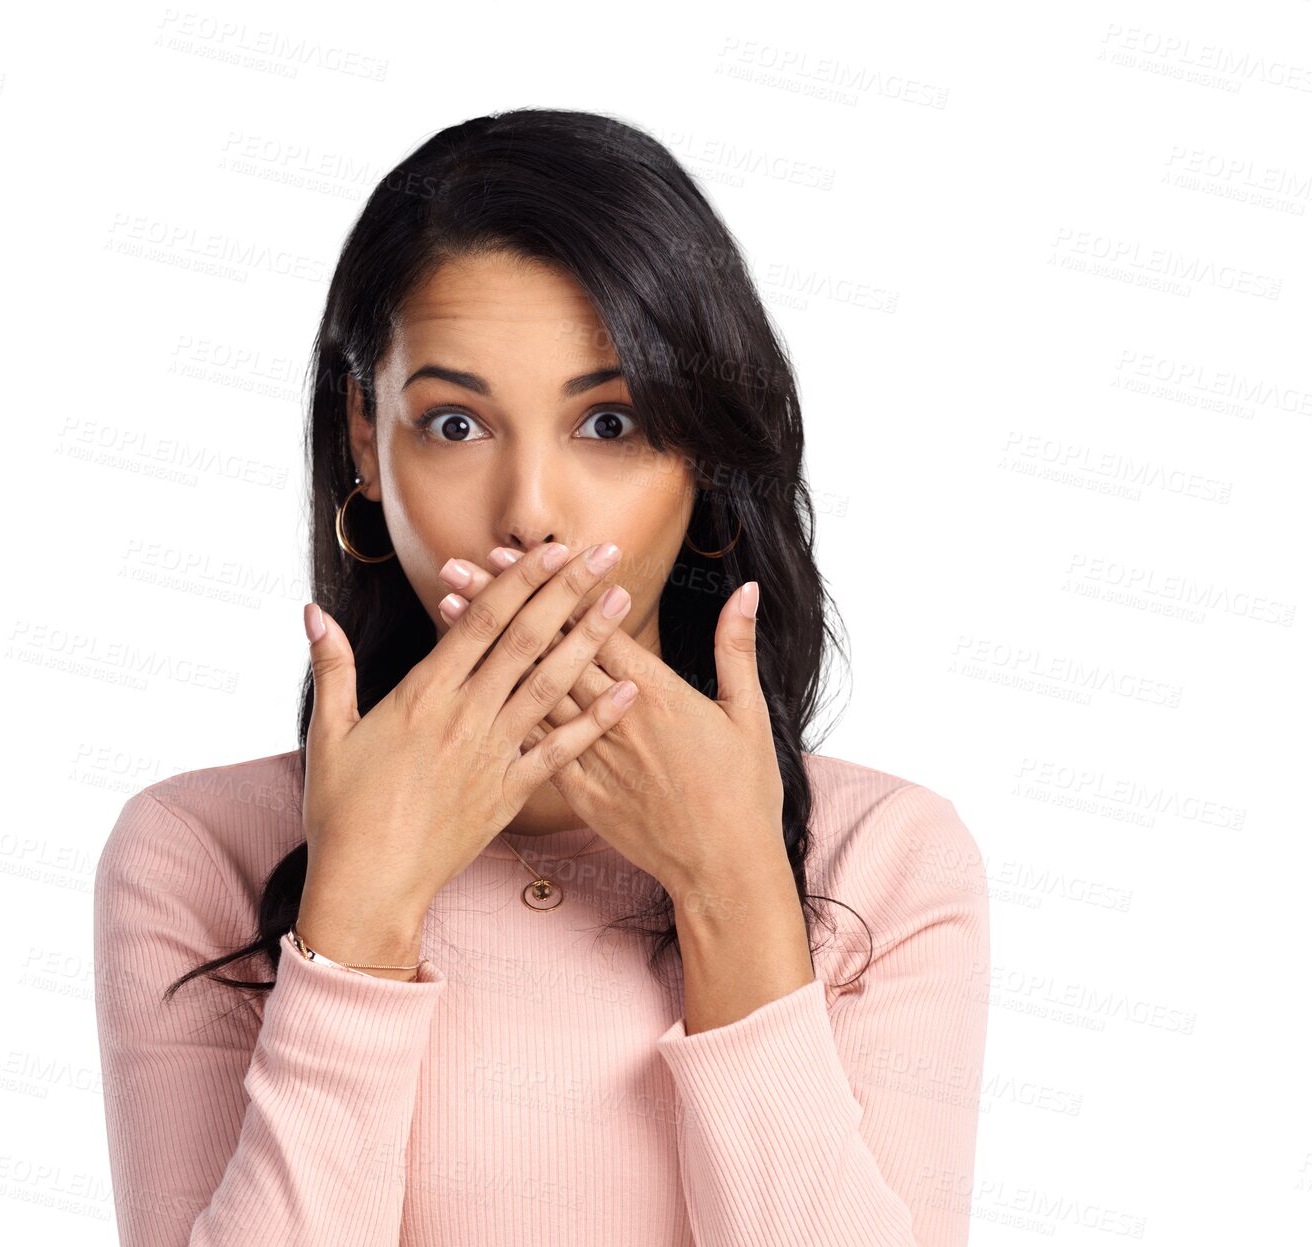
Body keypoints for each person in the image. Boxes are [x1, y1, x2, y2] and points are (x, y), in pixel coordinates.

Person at [94, 107, 990, 1246]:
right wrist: (359, 913)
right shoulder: (196, 852)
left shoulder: (889, 859)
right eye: (456, 422)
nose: (531, 512)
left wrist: (735, 891)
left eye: (609, 421)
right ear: (366, 441)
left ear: (704, 456)